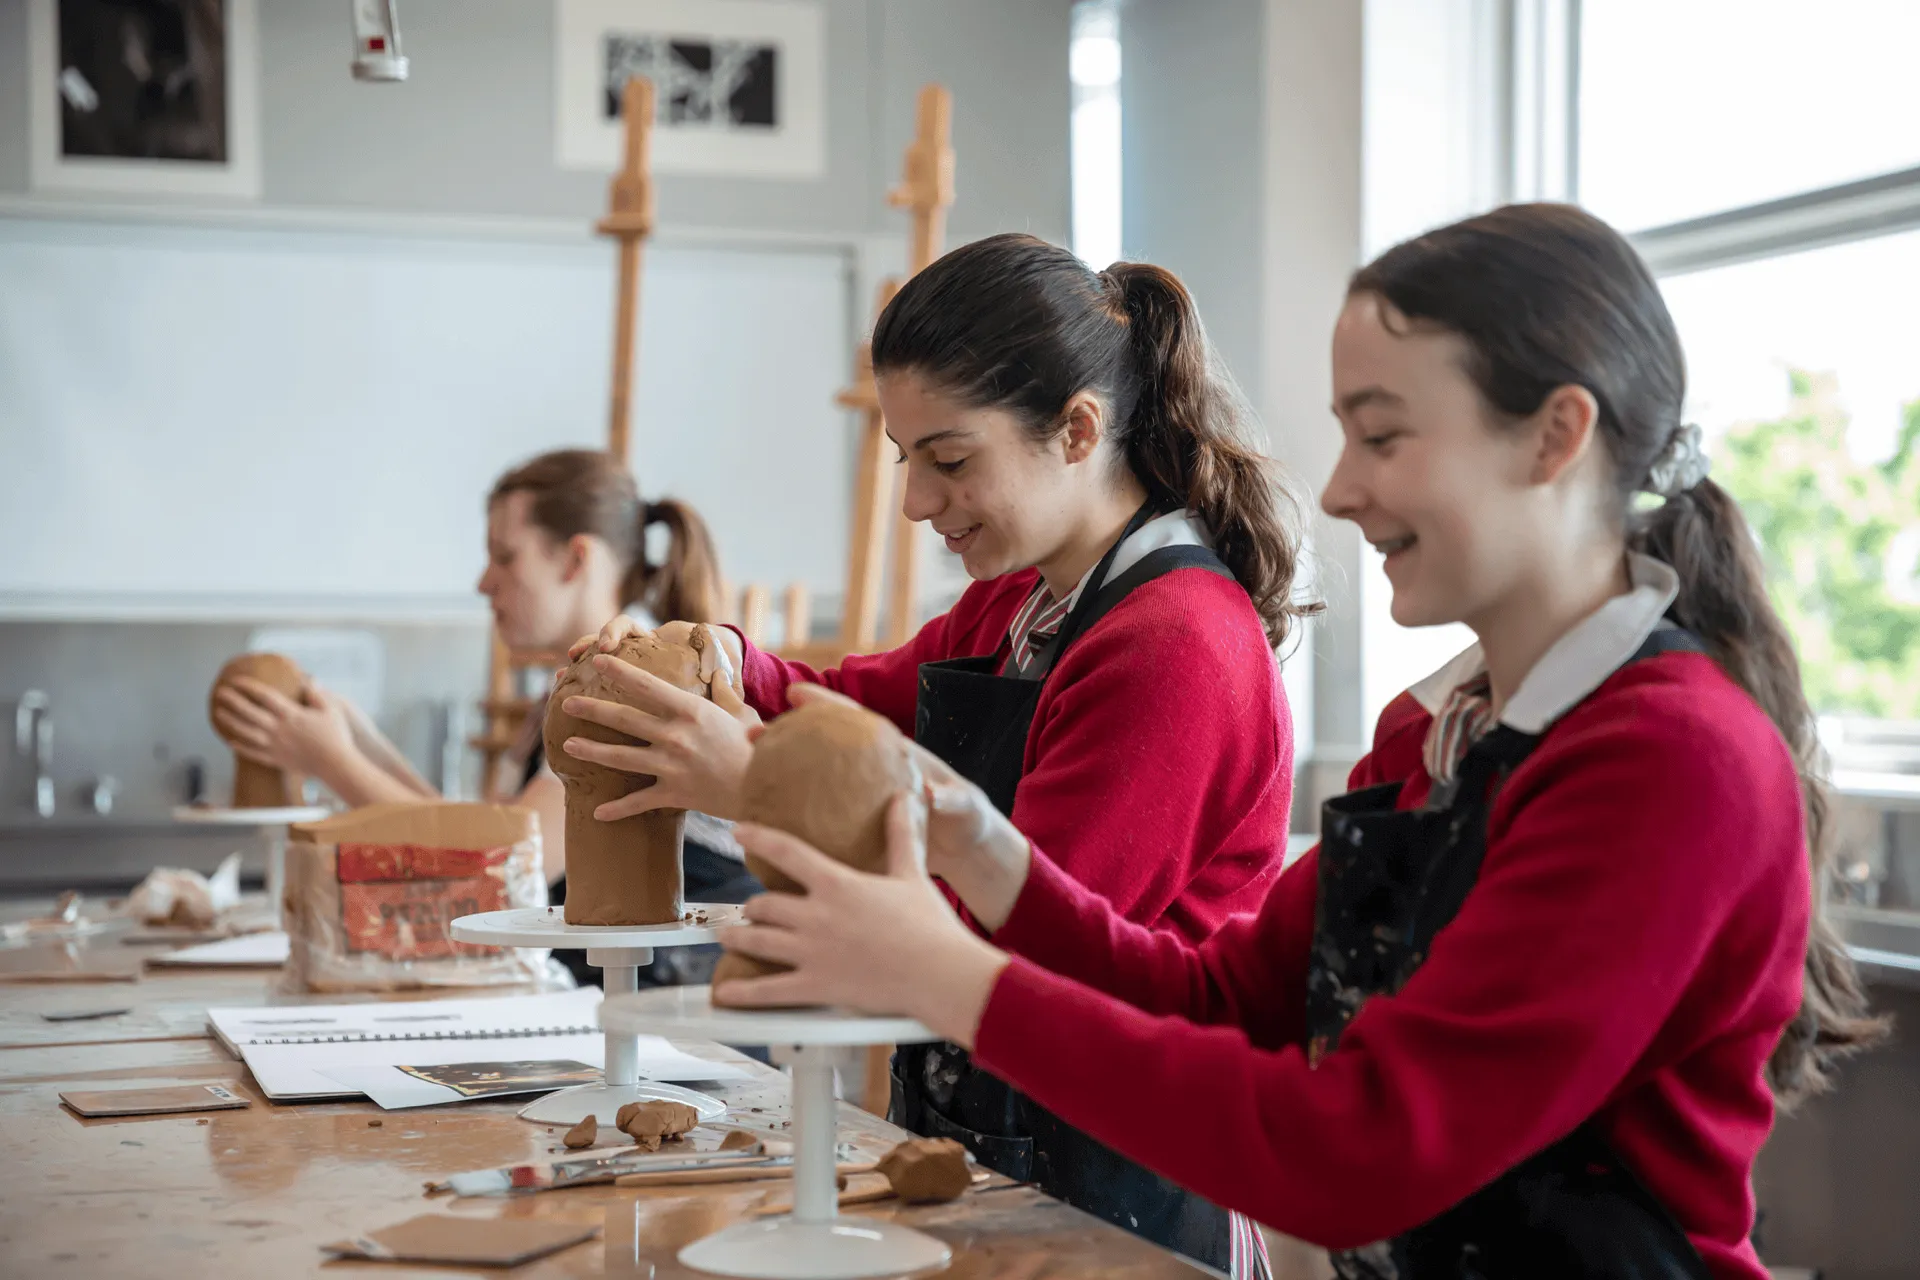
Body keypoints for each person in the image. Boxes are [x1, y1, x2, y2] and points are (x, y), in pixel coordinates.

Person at [707, 205, 1888, 1280]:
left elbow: (1366, 1145)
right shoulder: (1438, 729)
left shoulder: (1673, 761)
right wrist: (984, 856)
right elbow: (1220, 994)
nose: (1336, 490)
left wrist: (945, 973)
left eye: (1382, 437)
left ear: (1553, 437)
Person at [562, 233, 1312, 1275]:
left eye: (949, 460)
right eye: (904, 458)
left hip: (1123, 1175)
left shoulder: (1174, 645)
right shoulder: (1026, 597)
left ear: (1077, 430)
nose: (917, 501)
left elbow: (1000, 941)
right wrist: (730, 662)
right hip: (990, 1132)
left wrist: (757, 790)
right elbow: (866, 705)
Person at [211, 448, 755, 984]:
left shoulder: (636, 681)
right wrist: (359, 740)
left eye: (505, 556)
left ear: (575, 560)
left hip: (686, 1008)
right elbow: (469, 830)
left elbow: (497, 868)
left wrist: (332, 762)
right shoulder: (569, 684)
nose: (483, 582)